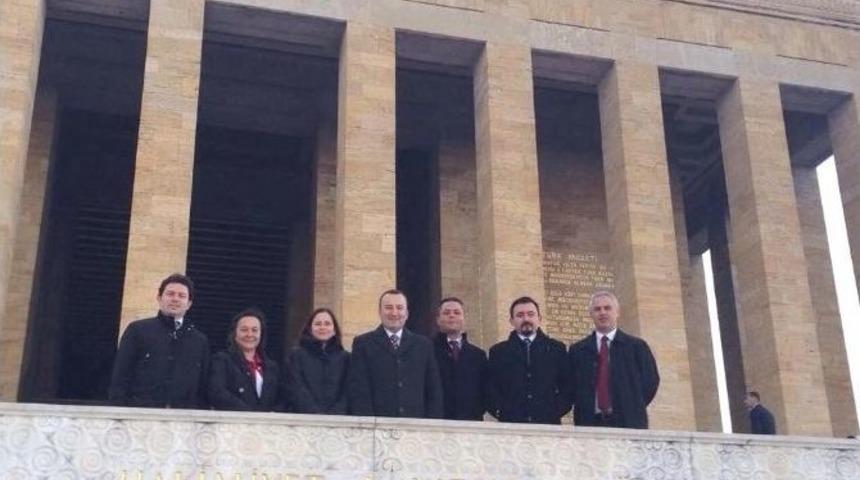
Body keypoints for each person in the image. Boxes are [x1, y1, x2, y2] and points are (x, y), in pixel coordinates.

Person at [109, 273, 210, 408]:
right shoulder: (137, 330)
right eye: (170, 294)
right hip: (140, 416)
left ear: (189, 304)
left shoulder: (200, 341)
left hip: (182, 421)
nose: (175, 299)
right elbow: (120, 378)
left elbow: (202, 387)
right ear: (159, 298)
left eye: (182, 296)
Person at [568, 290, 659, 429]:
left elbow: (650, 381)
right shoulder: (578, 350)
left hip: (629, 422)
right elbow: (571, 386)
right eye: (597, 309)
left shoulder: (636, 347)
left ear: (617, 312)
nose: (602, 312)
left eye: (607, 308)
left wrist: (632, 404)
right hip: (589, 424)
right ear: (591, 314)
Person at [348, 289, 443, 418]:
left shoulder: (423, 345)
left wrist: (431, 424)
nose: (394, 313)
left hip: (416, 427)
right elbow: (359, 389)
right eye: (388, 308)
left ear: (407, 313)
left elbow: (433, 389)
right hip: (377, 426)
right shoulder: (363, 344)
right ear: (379, 312)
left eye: (399, 308)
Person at [487, 296, 570, 424]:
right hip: (511, 425)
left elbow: (567, 386)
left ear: (539, 318)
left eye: (531, 314)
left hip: (548, 425)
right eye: (520, 315)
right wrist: (500, 410)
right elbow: (491, 387)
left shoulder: (556, 349)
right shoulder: (498, 352)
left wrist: (555, 411)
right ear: (511, 321)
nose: (526, 319)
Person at [208, 309, 284, 411]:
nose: (249, 334)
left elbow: (282, 398)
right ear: (234, 334)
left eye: (254, 330)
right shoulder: (222, 360)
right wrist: (249, 413)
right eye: (244, 329)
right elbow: (217, 393)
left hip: (265, 425)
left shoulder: (272, 367)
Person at [432, 297, 488, 421]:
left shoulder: (478, 355)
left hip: (470, 424)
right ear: (438, 319)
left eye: (457, 312)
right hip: (437, 424)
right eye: (446, 313)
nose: (452, 316)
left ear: (463, 319)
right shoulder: (427, 351)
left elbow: (485, 392)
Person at [287, 308, 350, 414]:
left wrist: (335, 414)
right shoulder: (297, 356)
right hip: (305, 419)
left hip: (337, 421)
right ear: (310, 329)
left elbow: (348, 391)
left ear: (334, 330)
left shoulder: (346, 358)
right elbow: (296, 387)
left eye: (327, 324)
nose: (322, 327)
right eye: (318, 324)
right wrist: (314, 413)